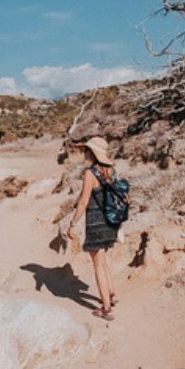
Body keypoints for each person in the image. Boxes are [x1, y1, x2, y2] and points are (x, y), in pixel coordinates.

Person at [66, 137, 120, 320]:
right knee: (103, 260)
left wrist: (72, 223)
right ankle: (112, 294)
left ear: (93, 153)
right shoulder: (111, 171)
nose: (84, 153)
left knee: (97, 265)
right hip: (110, 221)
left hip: (96, 223)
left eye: (86, 151)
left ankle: (106, 309)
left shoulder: (90, 173)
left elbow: (83, 201)